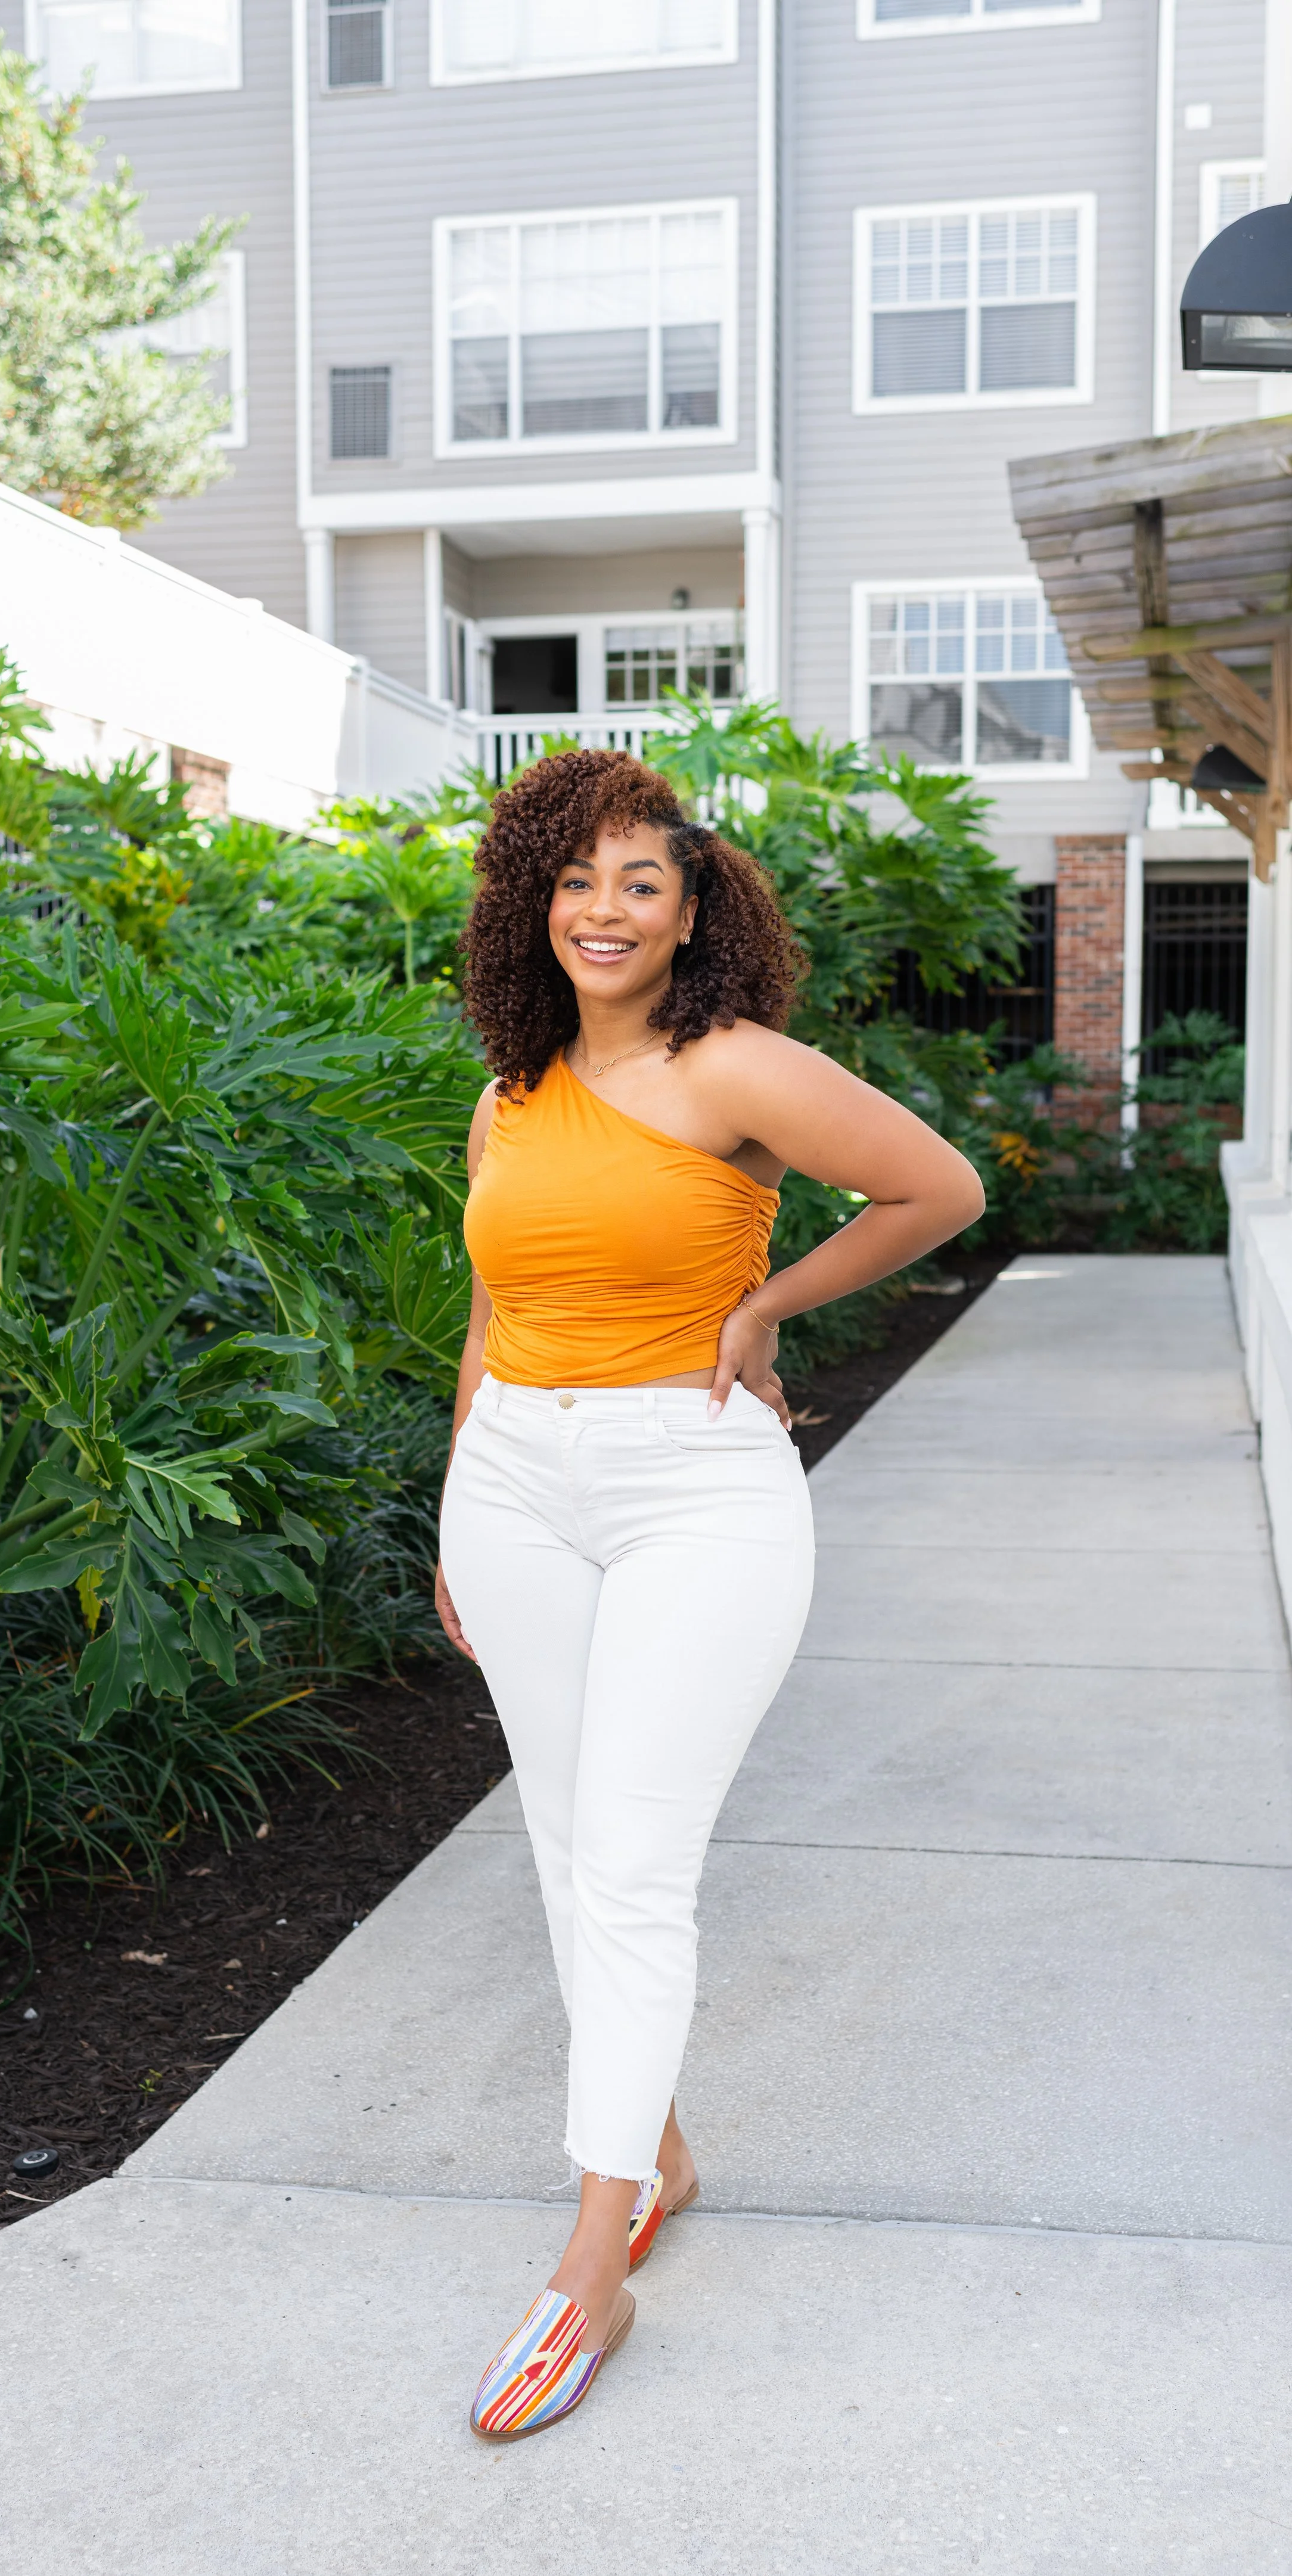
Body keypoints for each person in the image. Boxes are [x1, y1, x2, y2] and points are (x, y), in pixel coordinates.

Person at [436, 748, 984, 2443]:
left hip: (694, 1491)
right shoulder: (509, 1091)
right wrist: (462, 1508)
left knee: (636, 1867)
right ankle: (655, 2148)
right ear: (534, 902)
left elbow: (937, 1189)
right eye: (576, 880)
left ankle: (596, 2254)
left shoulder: (730, 1063)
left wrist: (767, 1311)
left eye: (641, 886)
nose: (604, 911)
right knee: (556, 1841)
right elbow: (489, 1310)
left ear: (693, 916)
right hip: (518, 1480)